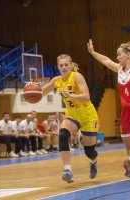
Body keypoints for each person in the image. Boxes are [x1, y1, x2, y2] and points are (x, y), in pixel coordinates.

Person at [87, 39, 130, 180]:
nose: (117, 58)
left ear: (128, 55)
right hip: (126, 112)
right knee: (129, 149)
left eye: (119, 54)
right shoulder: (119, 69)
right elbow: (105, 60)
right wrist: (92, 52)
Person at [29, 53, 100, 183]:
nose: (64, 67)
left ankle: (93, 161)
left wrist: (71, 96)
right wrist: (31, 93)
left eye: (66, 64)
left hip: (88, 115)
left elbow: (86, 97)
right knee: (62, 134)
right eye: (61, 65)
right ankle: (67, 170)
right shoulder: (56, 80)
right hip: (72, 114)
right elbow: (41, 92)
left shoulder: (77, 76)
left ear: (71, 65)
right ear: (58, 67)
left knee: (89, 151)